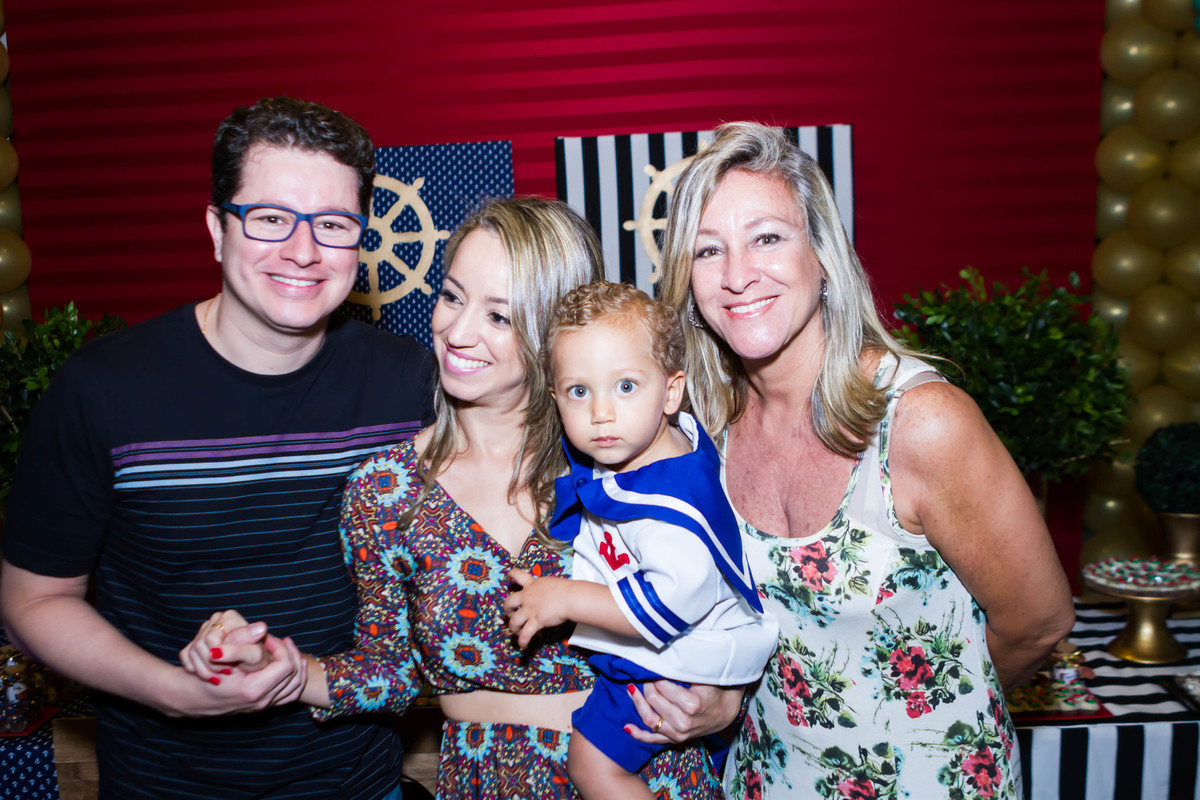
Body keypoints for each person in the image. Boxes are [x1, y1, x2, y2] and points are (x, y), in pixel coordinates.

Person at [185, 197, 742, 799]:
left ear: (552, 333)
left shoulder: (628, 461)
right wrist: (289, 671)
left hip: (650, 773)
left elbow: (726, 593)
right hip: (488, 778)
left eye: (499, 315)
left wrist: (725, 699)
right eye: (452, 296)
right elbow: (389, 673)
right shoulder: (387, 491)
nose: (457, 331)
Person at [0, 96, 434, 799]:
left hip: (358, 783)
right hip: (163, 785)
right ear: (216, 229)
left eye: (332, 224)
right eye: (270, 218)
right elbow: (35, 600)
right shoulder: (102, 390)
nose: (303, 251)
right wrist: (172, 691)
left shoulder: (409, 384)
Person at [658, 122, 1076, 800]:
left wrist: (929, 713)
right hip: (766, 782)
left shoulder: (920, 423)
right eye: (709, 250)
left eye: (767, 237)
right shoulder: (703, 429)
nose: (737, 276)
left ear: (823, 255)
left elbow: (1040, 623)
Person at [502, 280, 778, 800]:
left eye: (625, 386)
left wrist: (564, 597)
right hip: (673, 657)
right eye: (579, 392)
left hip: (677, 664)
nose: (601, 413)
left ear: (671, 392)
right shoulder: (659, 447)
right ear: (555, 397)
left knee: (591, 765)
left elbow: (666, 604)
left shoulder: (671, 507)